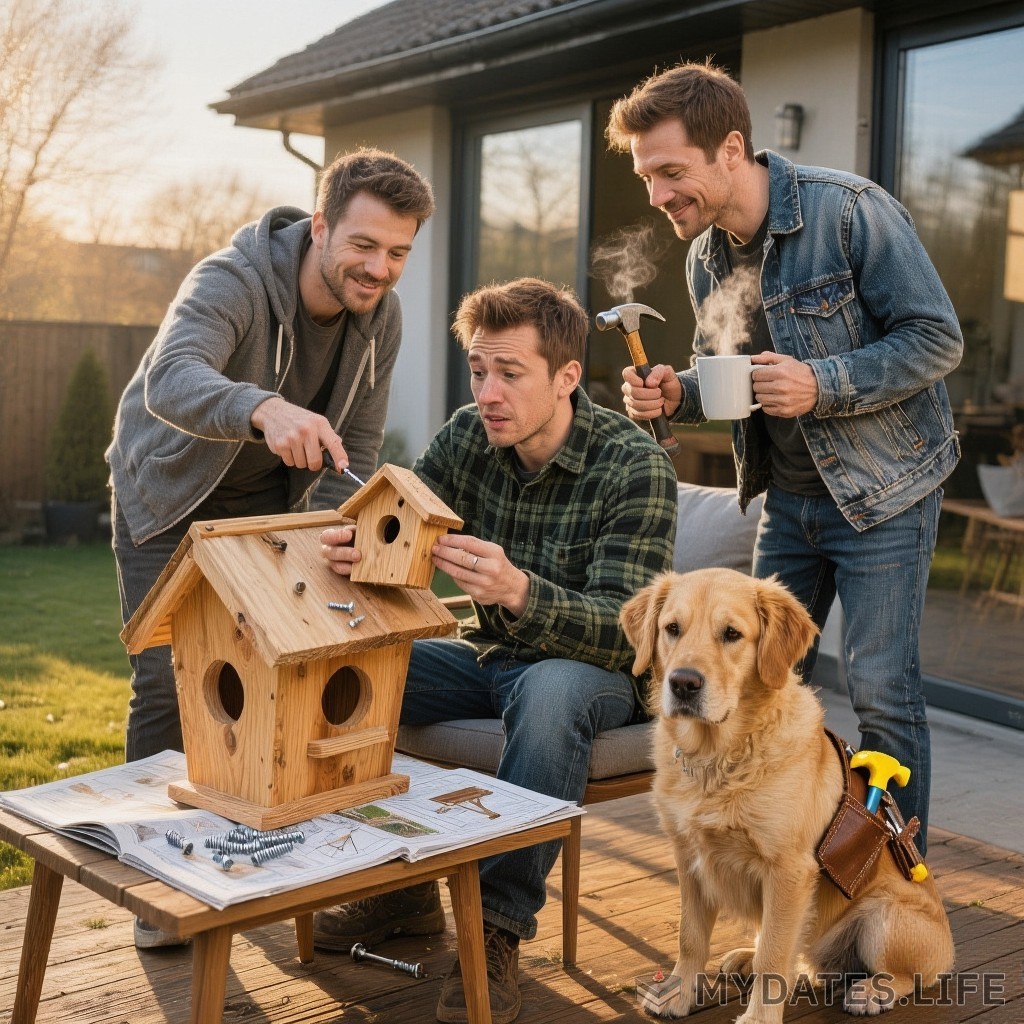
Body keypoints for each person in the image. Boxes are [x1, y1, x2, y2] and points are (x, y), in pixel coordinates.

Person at [608, 61, 963, 856]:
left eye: (671, 171)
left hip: (883, 495)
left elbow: (937, 339)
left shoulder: (850, 214)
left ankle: (890, 877)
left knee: (881, 693)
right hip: (786, 503)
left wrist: (824, 383)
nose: (658, 195)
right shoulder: (707, 258)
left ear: (731, 148)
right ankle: (769, 856)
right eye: (647, 178)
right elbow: (733, 381)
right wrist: (678, 392)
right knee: (756, 679)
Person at [316, 278, 678, 1024]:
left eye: (510, 373)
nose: (488, 392)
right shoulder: (467, 436)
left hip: (600, 674)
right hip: (487, 655)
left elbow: (629, 631)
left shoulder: (635, 466)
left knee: (550, 696)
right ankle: (402, 886)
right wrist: (363, 544)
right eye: (479, 370)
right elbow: (404, 526)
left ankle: (496, 931)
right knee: (346, 673)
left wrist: (520, 591)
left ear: (567, 377)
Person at [107, 148, 433, 947]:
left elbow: (355, 438)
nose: (379, 268)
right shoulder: (232, 279)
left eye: (398, 253)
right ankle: (157, 886)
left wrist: (330, 532)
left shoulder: (380, 317)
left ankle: (254, 857)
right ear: (320, 226)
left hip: (269, 514)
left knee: (271, 675)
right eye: (363, 245)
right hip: (171, 499)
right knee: (168, 680)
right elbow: (171, 379)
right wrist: (264, 409)